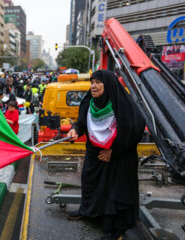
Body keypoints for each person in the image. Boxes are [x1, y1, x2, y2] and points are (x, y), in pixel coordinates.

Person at [66, 70, 145, 240]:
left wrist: (114, 151)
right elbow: (81, 122)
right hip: (95, 153)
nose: (93, 86)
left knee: (112, 192)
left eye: (98, 82)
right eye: (92, 82)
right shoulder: (89, 102)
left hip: (118, 157)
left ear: (108, 84)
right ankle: (88, 211)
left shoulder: (121, 104)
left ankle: (114, 230)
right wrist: (75, 130)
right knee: (90, 183)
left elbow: (134, 128)